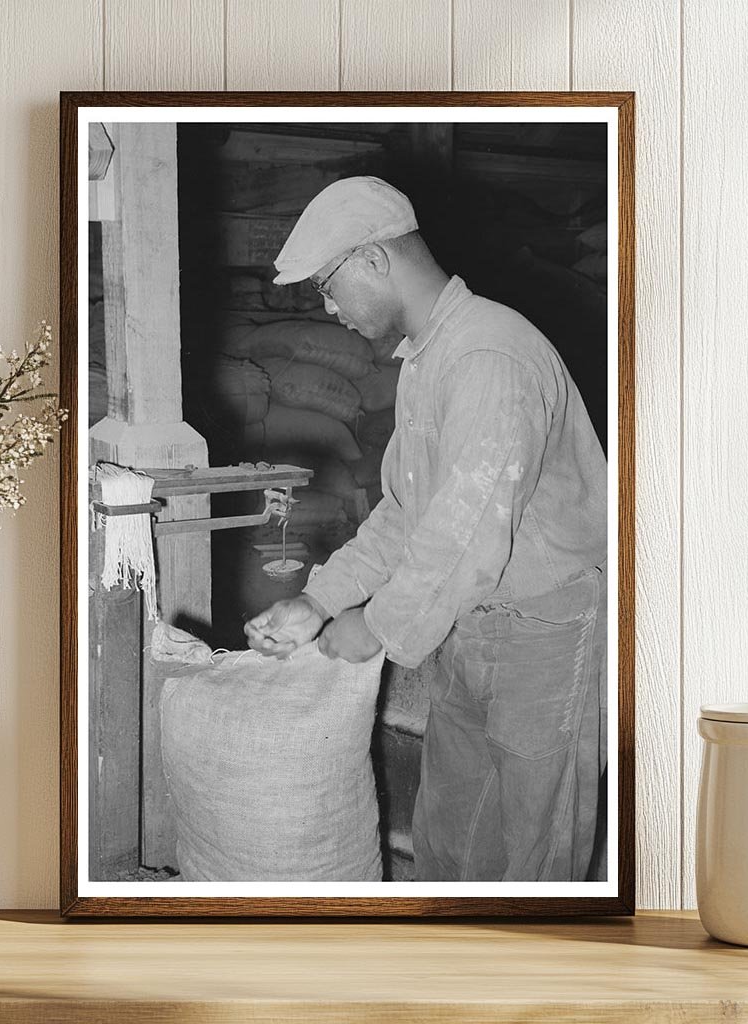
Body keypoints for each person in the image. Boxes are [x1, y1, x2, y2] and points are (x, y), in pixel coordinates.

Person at [244, 176, 608, 883]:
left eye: (327, 286)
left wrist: (376, 625)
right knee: (453, 833)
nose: (329, 309)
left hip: (542, 630)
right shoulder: (429, 356)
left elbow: (465, 537)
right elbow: (408, 513)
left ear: (374, 260)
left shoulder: (488, 357)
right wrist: (319, 600)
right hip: (472, 622)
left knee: (535, 850)